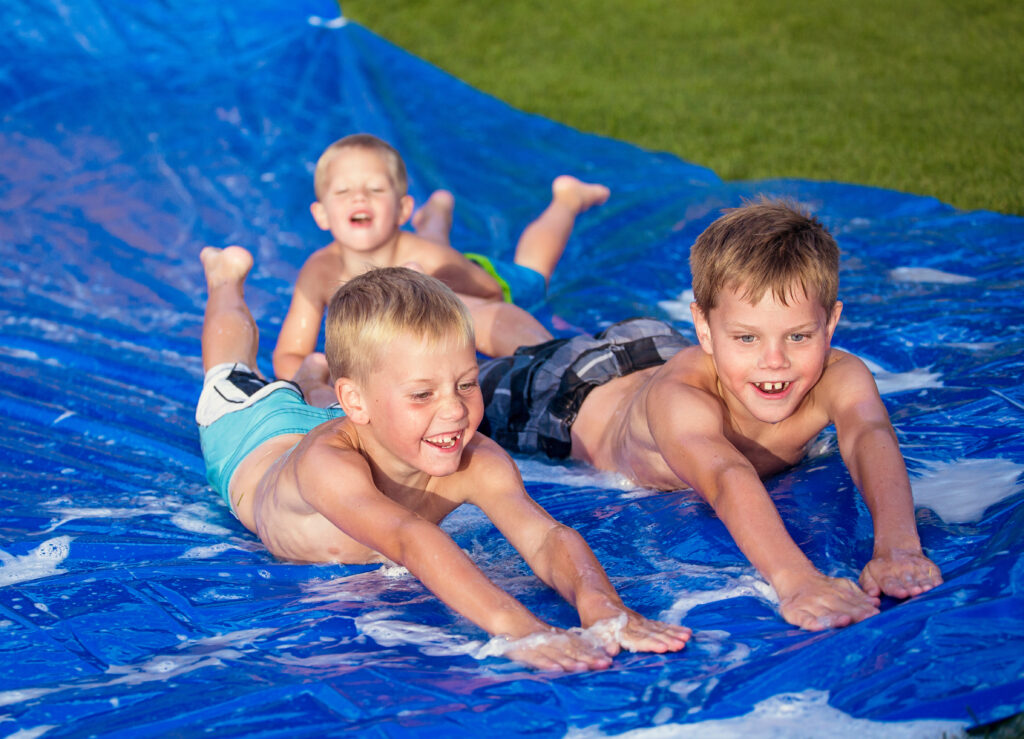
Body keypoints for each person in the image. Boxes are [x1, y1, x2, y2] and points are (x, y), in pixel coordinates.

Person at [196, 245, 690, 671]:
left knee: (331, 402)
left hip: (350, 416)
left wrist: (602, 606)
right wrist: (519, 627)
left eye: (467, 383)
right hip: (253, 434)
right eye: (423, 394)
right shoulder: (327, 468)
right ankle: (224, 281)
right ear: (360, 402)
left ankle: (315, 381)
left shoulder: (470, 455)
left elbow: (545, 537)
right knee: (229, 370)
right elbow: (410, 540)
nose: (454, 410)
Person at [475, 199, 944, 632]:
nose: (774, 361)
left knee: (538, 344)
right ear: (705, 327)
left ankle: (491, 313)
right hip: (570, 394)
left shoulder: (840, 374)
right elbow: (725, 474)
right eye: (747, 338)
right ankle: (443, 295)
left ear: (830, 324)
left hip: (656, 347)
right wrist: (797, 579)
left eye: (798, 337)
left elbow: (870, 434)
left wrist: (897, 549)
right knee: (468, 379)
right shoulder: (681, 399)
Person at [272, 133, 610, 379]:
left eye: (374, 190)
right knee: (423, 253)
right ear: (321, 215)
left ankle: (567, 200)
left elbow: (490, 293)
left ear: (403, 208)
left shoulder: (432, 260)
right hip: (416, 255)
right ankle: (436, 214)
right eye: (343, 191)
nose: (359, 197)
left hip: (480, 281)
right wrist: (322, 381)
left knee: (534, 270)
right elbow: (289, 353)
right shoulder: (319, 271)